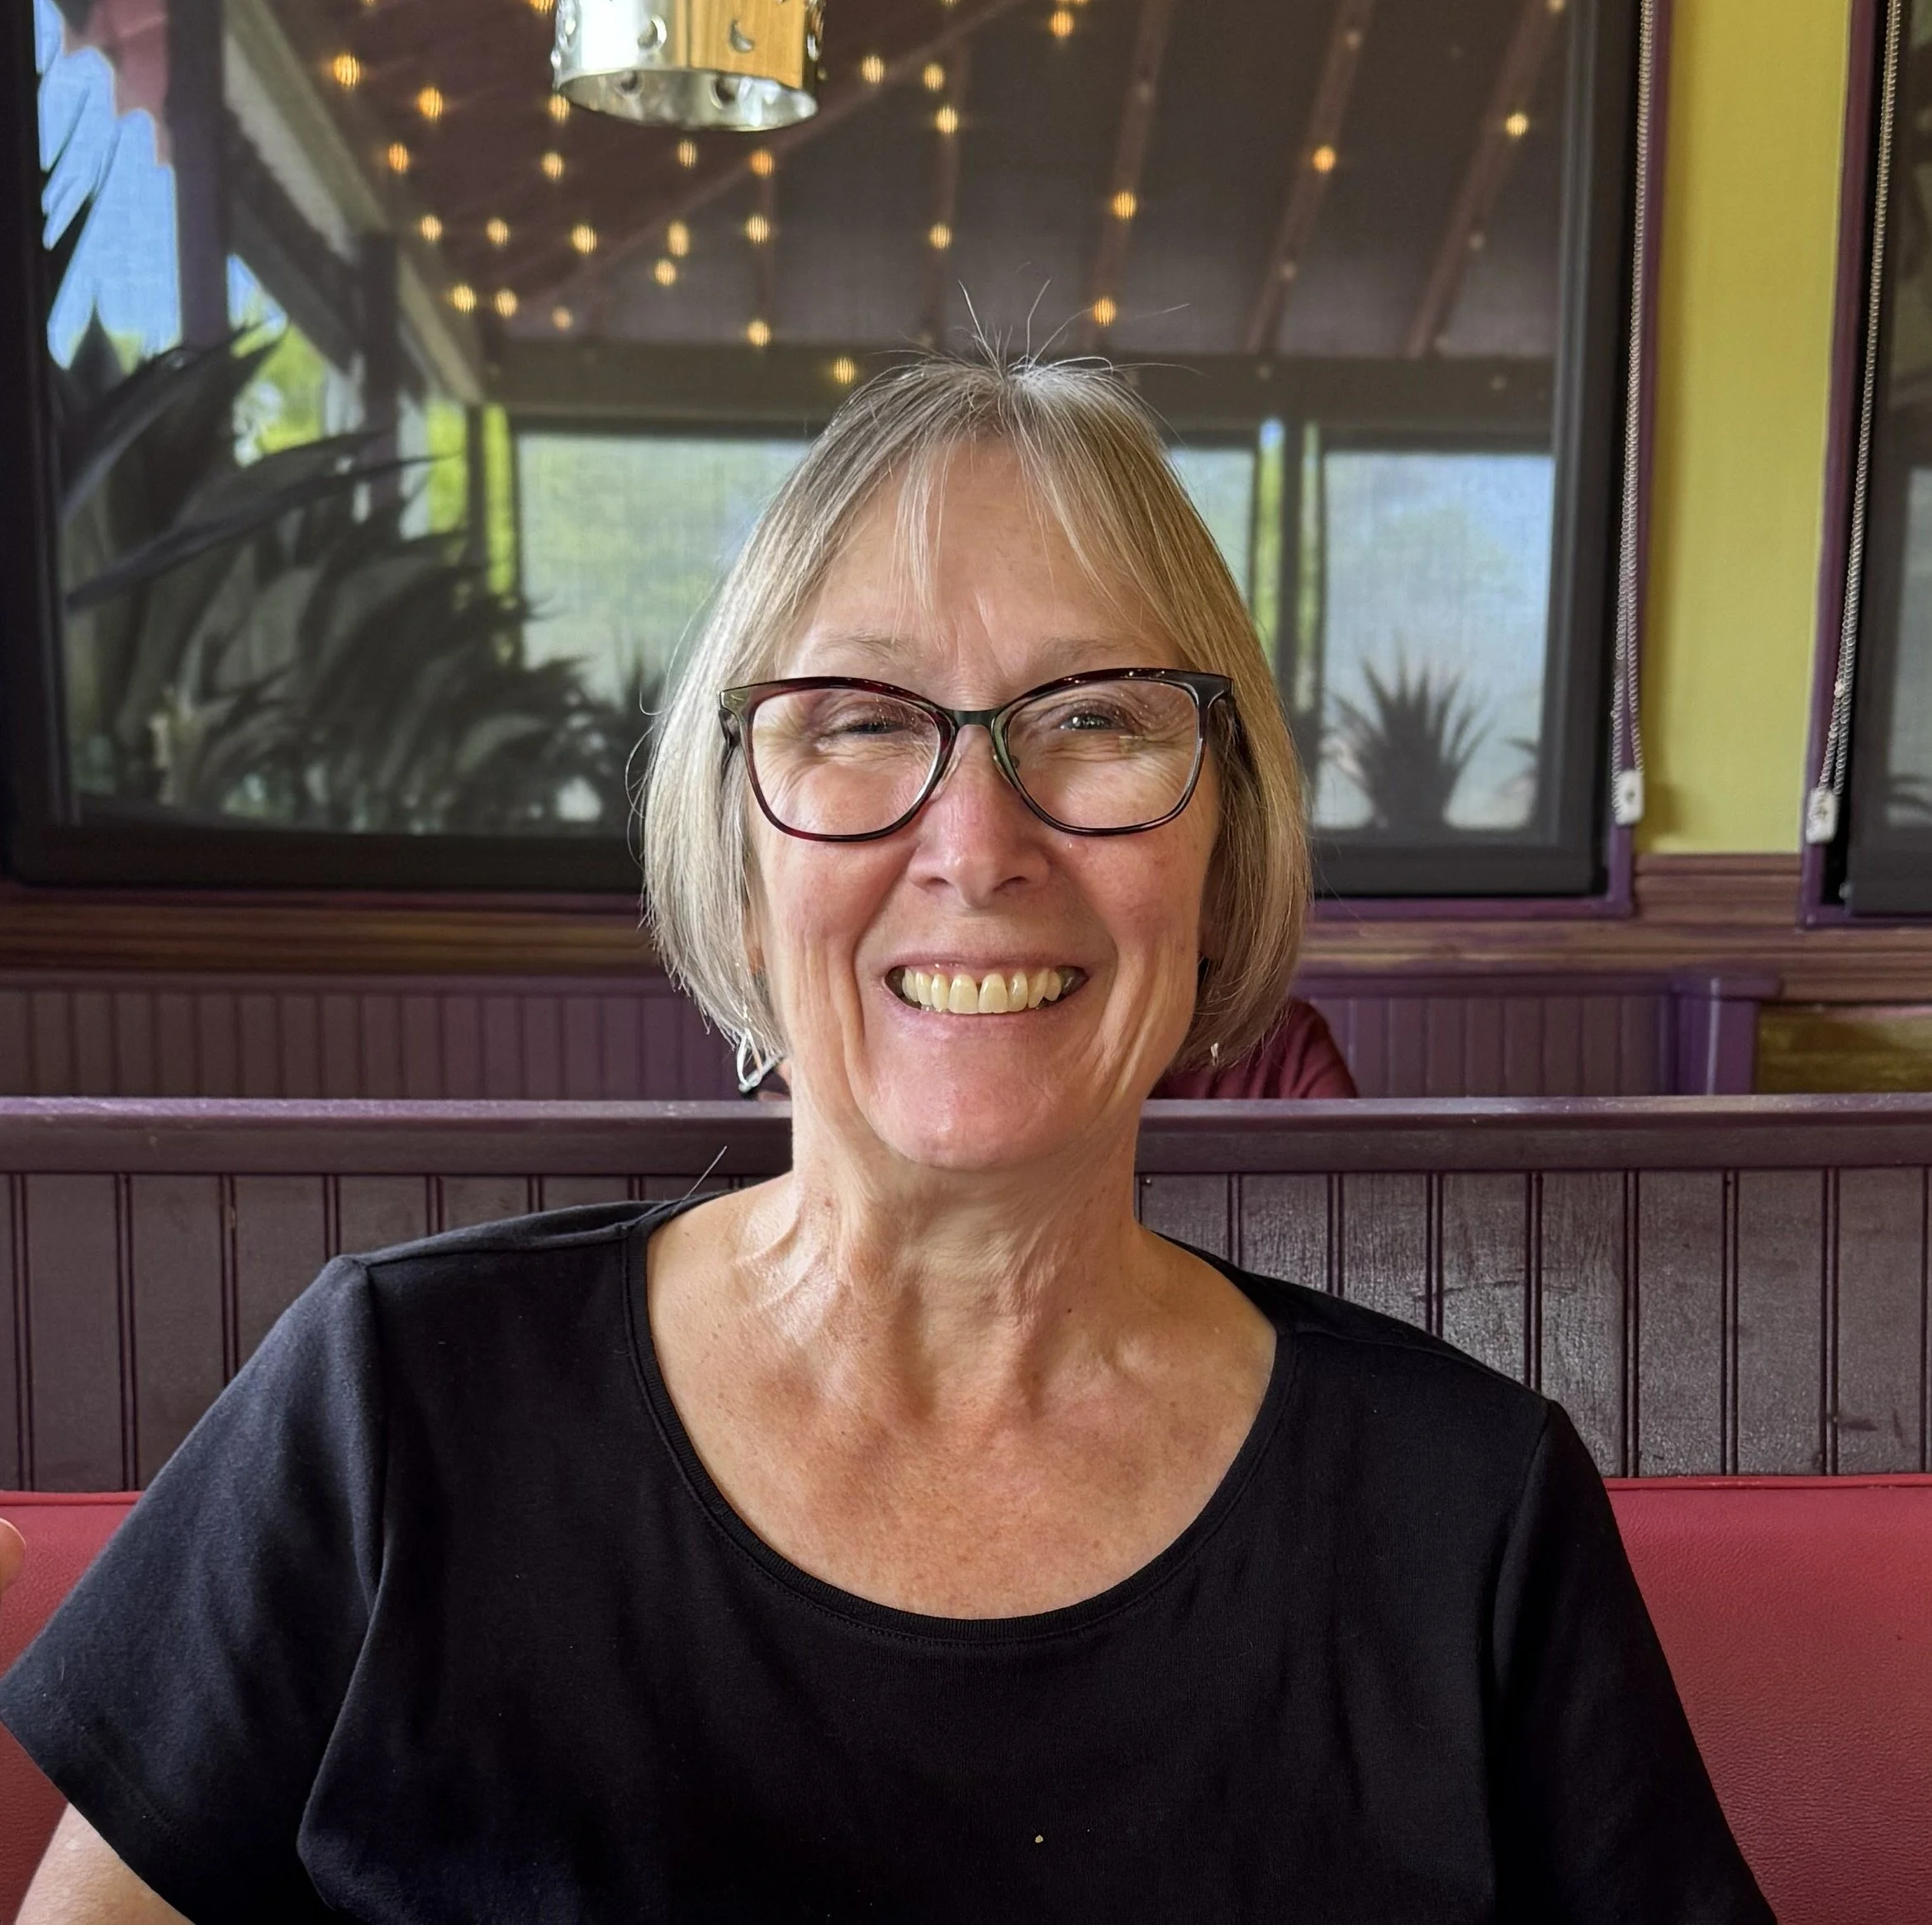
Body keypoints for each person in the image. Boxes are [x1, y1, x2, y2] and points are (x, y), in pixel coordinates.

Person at [0, 353, 1768, 1923]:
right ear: (741, 844)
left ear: (1222, 846)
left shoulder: (1464, 1516)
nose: (975, 840)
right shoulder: (391, 1404)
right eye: (857, 720)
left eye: (1094, 720)